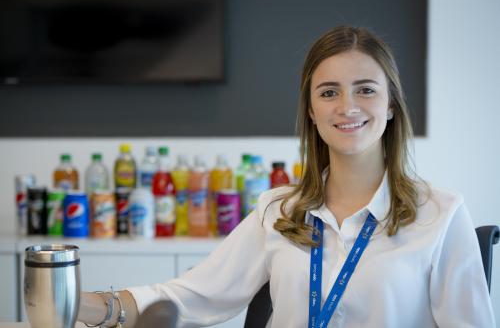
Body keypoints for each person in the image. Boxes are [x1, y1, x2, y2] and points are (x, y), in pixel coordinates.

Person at [77, 26, 496, 328]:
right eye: (329, 92)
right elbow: (194, 296)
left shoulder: (440, 214)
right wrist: (84, 305)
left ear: (390, 105)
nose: (347, 107)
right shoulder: (279, 210)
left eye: (366, 89)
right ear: (312, 112)